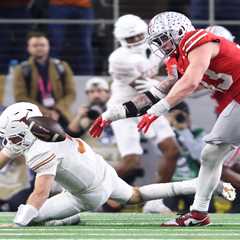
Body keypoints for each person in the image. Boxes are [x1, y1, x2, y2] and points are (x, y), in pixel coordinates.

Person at [89, 11, 240, 226]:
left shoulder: (195, 40)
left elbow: (189, 83)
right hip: (237, 99)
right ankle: (198, 214)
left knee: (211, 154)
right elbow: (154, 94)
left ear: (179, 31)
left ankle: (198, 213)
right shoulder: (179, 59)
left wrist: (157, 111)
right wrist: (111, 115)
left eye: (163, 39)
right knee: (211, 154)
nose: (161, 45)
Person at [0, 102, 235, 227]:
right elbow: (6, 153)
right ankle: (204, 184)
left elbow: (40, 192)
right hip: (103, 172)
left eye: (10, 134)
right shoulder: (41, 133)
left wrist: (20, 223)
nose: (8, 140)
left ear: (22, 130)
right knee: (135, 195)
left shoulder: (41, 149)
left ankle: (67, 216)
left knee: (33, 216)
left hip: (85, 196)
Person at [107, 14, 181, 184]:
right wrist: (179, 82)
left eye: (140, 35)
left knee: (172, 151)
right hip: (125, 109)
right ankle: (95, 187)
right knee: (131, 163)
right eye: (131, 38)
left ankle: (156, 201)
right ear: (121, 39)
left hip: (148, 105)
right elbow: (145, 87)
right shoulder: (118, 59)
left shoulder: (156, 45)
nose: (137, 40)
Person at [13, 32, 76, 129]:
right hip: (33, 117)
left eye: (42, 45)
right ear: (28, 48)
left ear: (48, 46)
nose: (39, 48)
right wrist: (45, 112)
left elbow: (71, 93)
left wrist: (57, 110)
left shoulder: (62, 66)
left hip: (61, 115)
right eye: (35, 45)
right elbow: (20, 97)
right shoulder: (21, 70)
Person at [67, 77, 121, 167]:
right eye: (91, 92)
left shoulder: (117, 109)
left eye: (100, 91)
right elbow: (70, 135)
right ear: (87, 95)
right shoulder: (84, 112)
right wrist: (79, 116)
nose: (96, 95)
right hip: (92, 157)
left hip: (115, 156)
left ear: (108, 93)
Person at [48, 0, 94, 75]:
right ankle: (52, 77)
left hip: (84, 6)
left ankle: (87, 77)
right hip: (58, 6)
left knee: (85, 45)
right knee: (56, 44)